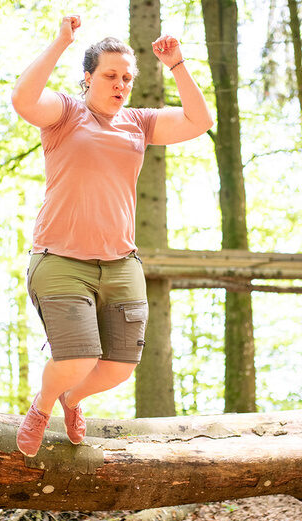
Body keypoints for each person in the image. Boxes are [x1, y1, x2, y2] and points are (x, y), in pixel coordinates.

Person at [11, 15, 213, 457]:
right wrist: (60, 42)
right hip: (61, 259)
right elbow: (23, 99)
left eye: (127, 77)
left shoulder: (138, 123)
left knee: (120, 366)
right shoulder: (65, 113)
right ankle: (43, 407)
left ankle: (72, 398)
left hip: (121, 263)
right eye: (110, 75)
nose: (121, 84)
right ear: (87, 78)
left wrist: (178, 65)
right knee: (79, 357)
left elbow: (199, 121)